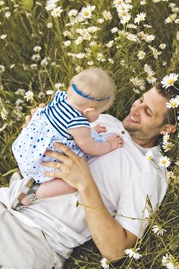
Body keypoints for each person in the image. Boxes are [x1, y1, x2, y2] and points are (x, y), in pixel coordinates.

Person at [0, 81, 179, 268]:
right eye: (140, 100)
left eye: (147, 111)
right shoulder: (106, 121)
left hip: (33, 239)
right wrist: (33, 131)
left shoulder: (148, 171)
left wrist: (85, 183)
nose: (135, 109)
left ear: (168, 129)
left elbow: (117, 250)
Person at [12, 67, 123, 208]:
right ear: (89, 111)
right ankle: (33, 193)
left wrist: (88, 132)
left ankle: (23, 176)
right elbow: (90, 148)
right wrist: (109, 145)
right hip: (39, 161)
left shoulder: (60, 98)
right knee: (71, 184)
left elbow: (67, 130)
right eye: (100, 113)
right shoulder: (77, 122)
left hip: (25, 150)